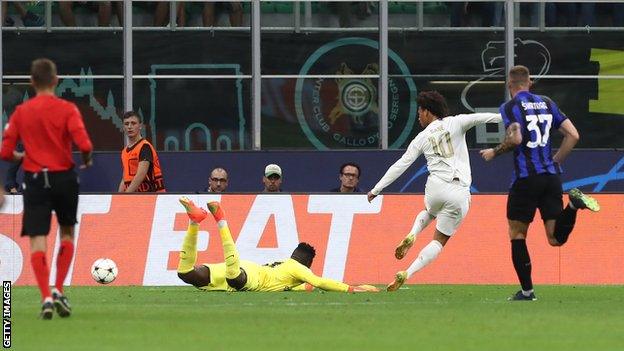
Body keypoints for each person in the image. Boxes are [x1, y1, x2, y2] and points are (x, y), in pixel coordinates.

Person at [480, 65, 600, 301]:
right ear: (530, 83)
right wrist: (555, 161)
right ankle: (573, 206)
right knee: (555, 238)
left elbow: (515, 138)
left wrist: (494, 151)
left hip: (526, 179)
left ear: (509, 85)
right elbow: (573, 134)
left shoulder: (510, 107)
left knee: (517, 233)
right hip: (551, 178)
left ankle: (527, 292)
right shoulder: (547, 102)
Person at [366, 91, 502, 292]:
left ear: (428, 112)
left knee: (430, 212)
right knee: (439, 240)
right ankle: (407, 273)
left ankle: (413, 233)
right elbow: (488, 117)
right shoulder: (458, 122)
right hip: (459, 192)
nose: (418, 116)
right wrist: (515, 115)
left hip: (436, 188)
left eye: (420, 112)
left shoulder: (422, 137)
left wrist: (376, 189)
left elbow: (401, 164)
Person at [0, 58, 93, 319]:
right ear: (55, 81)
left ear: (32, 82)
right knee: (66, 233)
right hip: (64, 178)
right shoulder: (67, 109)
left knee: (37, 240)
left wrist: (22, 158)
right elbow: (84, 145)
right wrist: (86, 161)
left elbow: (6, 151)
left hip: (35, 180)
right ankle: (59, 289)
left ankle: (45, 298)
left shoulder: (21, 112)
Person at [176, 197, 379, 293]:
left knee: (186, 273)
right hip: (252, 276)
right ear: (307, 263)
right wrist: (352, 289)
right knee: (234, 278)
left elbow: (308, 287)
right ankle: (221, 220)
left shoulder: (285, 269)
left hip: (245, 267)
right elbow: (319, 283)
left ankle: (194, 221)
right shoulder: (298, 268)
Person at [118, 111, 166, 193]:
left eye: (133, 123)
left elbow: (141, 174)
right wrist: (118, 198)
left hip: (151, 196)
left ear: (140, 126)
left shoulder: (144, 147)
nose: (129, 127)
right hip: (135, 197)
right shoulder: (124, 152)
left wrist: (126, 196)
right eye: (126, 124)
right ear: (123, 127)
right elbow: (124, 178)